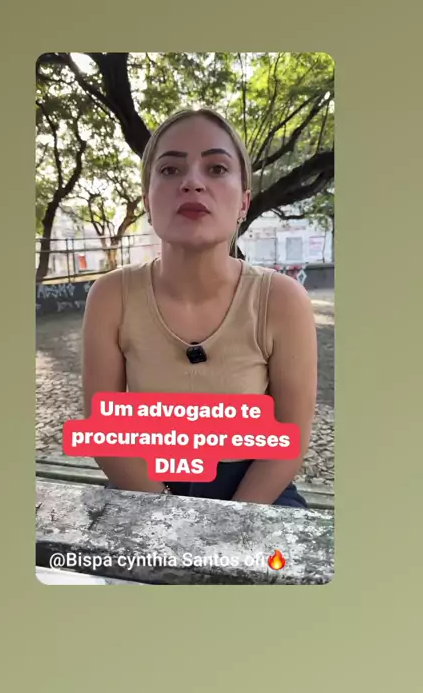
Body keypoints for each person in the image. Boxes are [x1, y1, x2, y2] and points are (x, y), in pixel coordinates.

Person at [81, 108, 317, 506]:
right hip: (143, 488)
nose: (192, 182)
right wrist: (168, 514)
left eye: (217, 168)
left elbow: (289, 436)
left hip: (254, 492)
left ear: (244, 203)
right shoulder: (110, 296)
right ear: (148, 200)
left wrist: (230, 520)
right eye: (170, 170)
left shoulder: (281, 300)